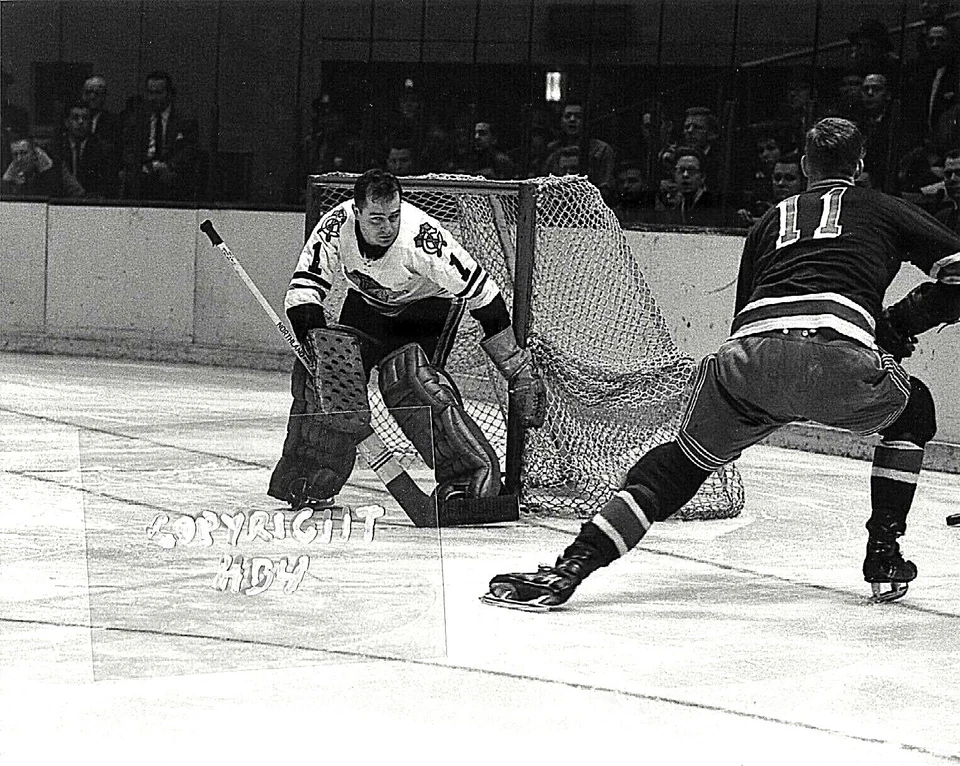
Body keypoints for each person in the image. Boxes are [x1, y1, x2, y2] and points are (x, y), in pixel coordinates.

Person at [483, 117, 960, 609]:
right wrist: (900, 323)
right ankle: (883, 553)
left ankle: (571, 568)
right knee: (915, 410)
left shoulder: (770, 219)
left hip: (745, 363)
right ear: (859, 166)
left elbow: (745, 317)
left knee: (677, 467)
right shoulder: (882, 207)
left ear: (802, 167)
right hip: (836, 360)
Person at [268, 168, 546, 512]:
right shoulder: (334, 227)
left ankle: (472, 480)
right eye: (377, 219)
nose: (387, 228)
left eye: (393, 216)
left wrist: (514, 364)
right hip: (366, 304)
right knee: (325, 376)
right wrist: (316, 348)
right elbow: (304, 290)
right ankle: (312, 475)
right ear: (356, 212)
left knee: (410, 383)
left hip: (425, 309)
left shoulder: (423, 238)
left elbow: (484, 294)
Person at [120, 70, 201, 201]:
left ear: (169, 94)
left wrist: (168, 166)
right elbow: (128, 148)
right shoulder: (137, 119)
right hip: (142, 173)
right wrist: (140, 166)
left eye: (158, 93)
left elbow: (189, 150)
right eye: (150, 93)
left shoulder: (185, 120)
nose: (153, 98)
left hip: (170, 173)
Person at [57, 103, 117, 198]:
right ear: (67, 122)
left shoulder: (104, 150)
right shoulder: (56, 148)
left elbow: (107, 186)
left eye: (85, 118)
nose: (80, 122)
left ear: (91, 123)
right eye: (75, 118)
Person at [2, 135, 85, 197]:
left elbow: (79, 193)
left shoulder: (58, 168)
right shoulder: (12, 175)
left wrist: (48, 172)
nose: (19, 159)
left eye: (24, 153)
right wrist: (6, 180)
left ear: (35, 154)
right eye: (15, 155)